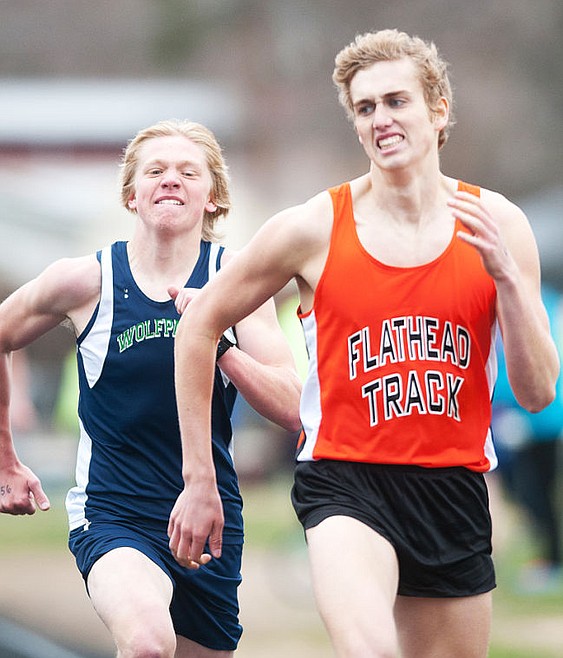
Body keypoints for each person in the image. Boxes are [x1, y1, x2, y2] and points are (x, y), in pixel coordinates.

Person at [172, 30, 560, 658]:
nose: (381, 119)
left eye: (396, 101)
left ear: (438, 110)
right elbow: (198, 325)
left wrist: (510, 283)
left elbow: (538, 392)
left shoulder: (499, 225)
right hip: (345, 480)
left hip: (453, 486)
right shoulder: (313, 227)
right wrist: (199, 478)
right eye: (365, 107)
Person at [0, 119, 302, 658]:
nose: (171, 180)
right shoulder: (86, 281)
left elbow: (295, 406)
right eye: (155, 171)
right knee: (146, 643)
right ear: (131, 195)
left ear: (213, 198)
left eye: (189, 172)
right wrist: (5, 457)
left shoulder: (235, 283)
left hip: (208, 514)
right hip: (113, 512)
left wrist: (217, 342)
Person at [491, 283, 563, 592]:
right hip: (524, 420)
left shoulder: (537, 302)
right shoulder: (534, 299)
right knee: (533, 496)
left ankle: (552, 561)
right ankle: (550, 559)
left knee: (537, 496)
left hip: (540, 421)